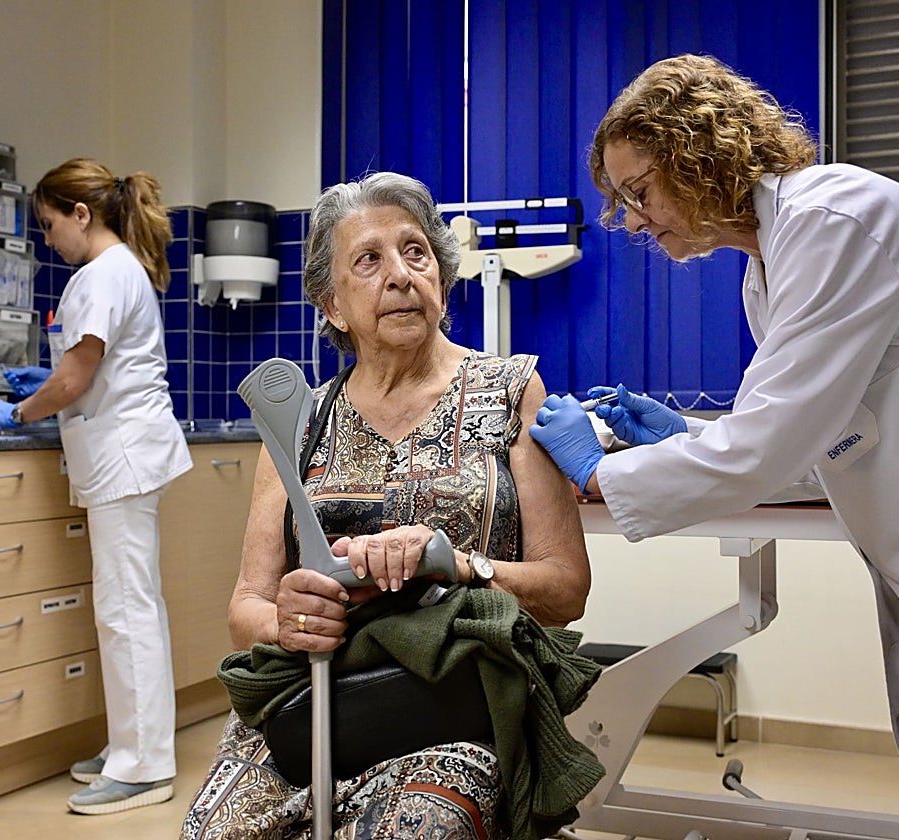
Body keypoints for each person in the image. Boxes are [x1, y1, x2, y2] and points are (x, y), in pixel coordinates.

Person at [529, 53, 899, 838]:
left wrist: (599, 472)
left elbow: (769, 442)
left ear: (698, 154)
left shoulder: (832, 219)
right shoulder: (768, 270)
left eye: (638, 191)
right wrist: (684, 434)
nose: (631, 221)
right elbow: (813, 443)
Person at [180, 171, 599, 840]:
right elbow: (245, 611)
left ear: (441, 274)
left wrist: (453, 565)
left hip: (453, 706)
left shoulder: (512, 390)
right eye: (368, 261)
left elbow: (566, 588)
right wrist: (291, 620)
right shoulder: (300, 422)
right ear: (332, 305)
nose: (400, 275)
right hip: (317, 704)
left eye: (415, 252)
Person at [0, 158, 193, 815]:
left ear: (82, 214)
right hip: (126, 453)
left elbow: (75, 378)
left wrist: (21, 411)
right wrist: (46, 392)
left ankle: (143, 766)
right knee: (131, 604)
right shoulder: (120, 269)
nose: (49, 239)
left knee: (127, 607)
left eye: (50, 225)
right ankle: (131, 744)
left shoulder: (103, 274)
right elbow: (80, 373)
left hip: (124, 455)